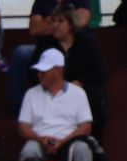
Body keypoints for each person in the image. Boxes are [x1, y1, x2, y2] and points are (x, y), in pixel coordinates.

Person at [8, 0, 92, 103]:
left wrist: (49, 21)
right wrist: (64, 19)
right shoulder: (41, 1)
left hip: (73, 46)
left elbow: (81, 22)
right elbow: (34, 29)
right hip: (45, 47)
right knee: (20, 53)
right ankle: (19, 104)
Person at [16, 50, 96, 161]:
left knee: (82, 149)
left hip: (69, 141)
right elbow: (23, 127)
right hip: (40, 142)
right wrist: (41, 139)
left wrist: (61, 142)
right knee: (29, 149)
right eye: (39, 71)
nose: (39, 74)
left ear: (59, 70)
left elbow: (86, 127)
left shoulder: (77, 93)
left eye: (44, 71)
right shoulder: (31, 94)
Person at [33, 8, 109, 136]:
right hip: (53, 88)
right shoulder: (45, 44)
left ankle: (94, 141)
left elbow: (100, 72)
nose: (55, 25)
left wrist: (80, 82)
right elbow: (34, 73)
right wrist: (62, 85)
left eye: (60, 21)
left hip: (81, 86)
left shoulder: (86, 42)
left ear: (71, 25)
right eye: (53, 22)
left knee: (94, 93)